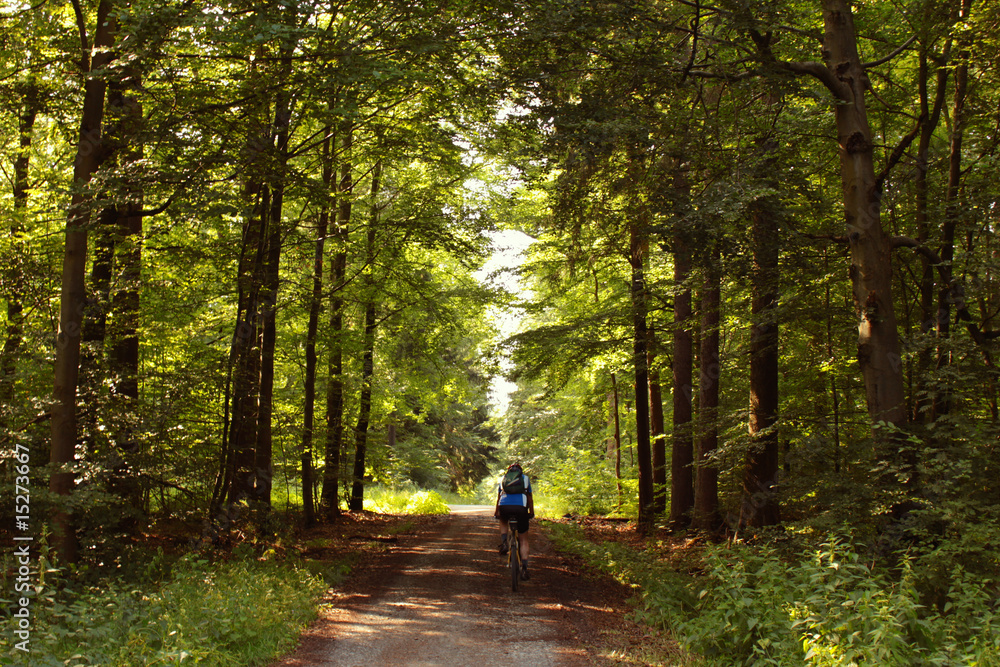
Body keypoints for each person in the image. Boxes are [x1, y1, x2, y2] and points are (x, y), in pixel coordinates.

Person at [494, 462, 534, 580]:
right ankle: (525, 568)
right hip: (521, 508)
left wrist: (497, 512)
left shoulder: (503, 479)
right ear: (520, 471)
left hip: (504, 506)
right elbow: (530, 498)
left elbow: (499, 497)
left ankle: (504, 541)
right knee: (524, 539)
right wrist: (531, 512)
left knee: (503, 520)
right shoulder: (525, 479)